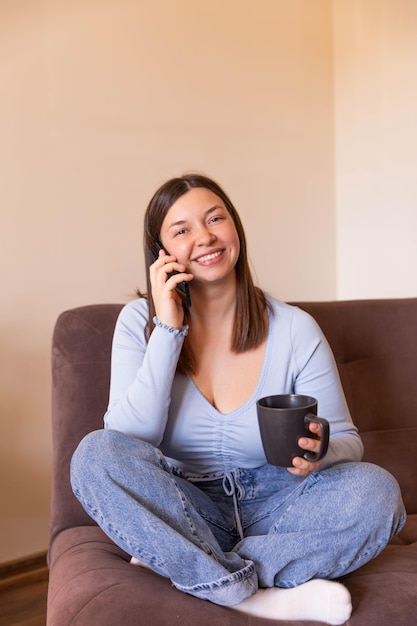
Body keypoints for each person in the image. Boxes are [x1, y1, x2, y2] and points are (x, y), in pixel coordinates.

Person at [71, 173, 405, 625]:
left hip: (281, 506)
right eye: (182, 229)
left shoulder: (293, 328)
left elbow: (348, 440)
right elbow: (131, 438)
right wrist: (168, 330)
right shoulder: (139, 323)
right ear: (162, 252)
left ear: (235, 228)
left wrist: (321, 453)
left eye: (215, 218)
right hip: (186, 502)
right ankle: (251, 595)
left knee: (377, 491)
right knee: (94, 454)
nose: (205, 236)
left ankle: (190, 563)